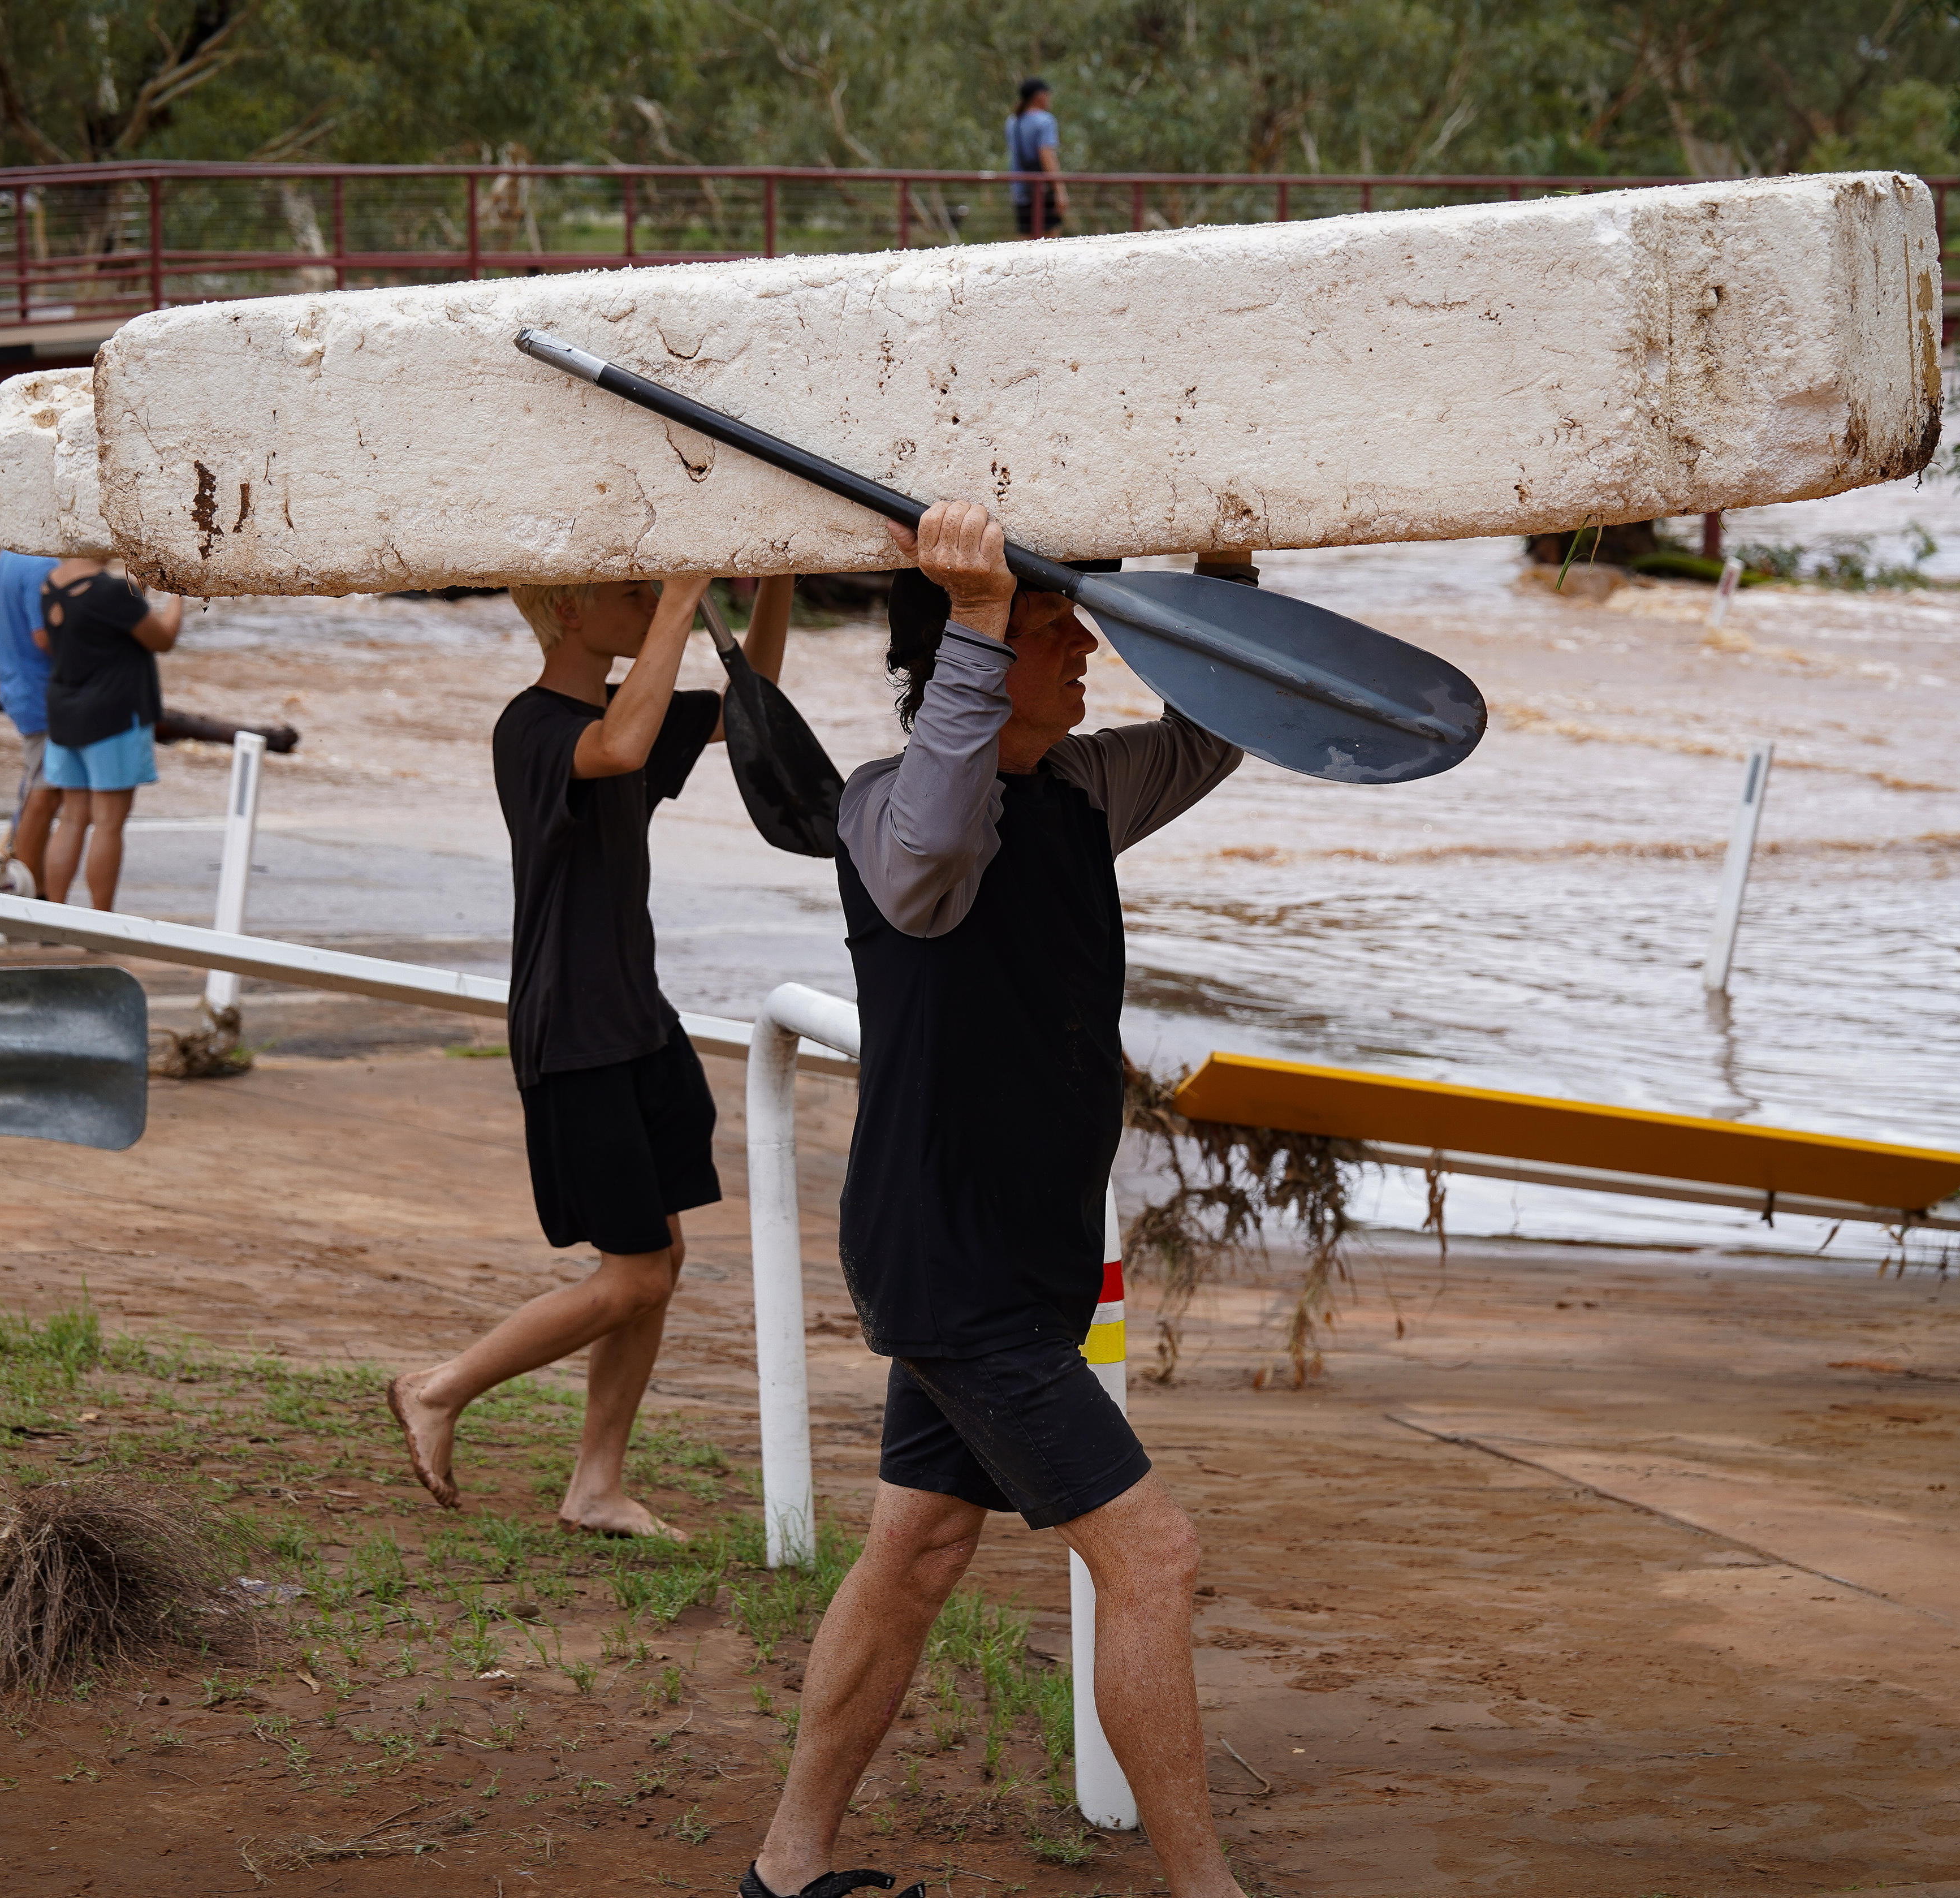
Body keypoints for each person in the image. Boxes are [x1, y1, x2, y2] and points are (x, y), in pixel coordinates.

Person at [744, 506, 1244, 1898]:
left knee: (914, 1548)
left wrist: (1229, 574)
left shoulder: (1085, 791)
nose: (1083, 643)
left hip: (1024, 1257)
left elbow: (1214, 733)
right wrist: (975, 615)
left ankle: (785, 1872)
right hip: (951, 1263)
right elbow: (929, 854)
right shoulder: (883, 810)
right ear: (965, 650)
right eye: (1051, 628)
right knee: (1151, 1556)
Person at [386, 575, 793, 1539]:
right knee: (636, 1276)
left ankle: (596, 1486)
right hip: (574, 1032)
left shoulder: (631, 713)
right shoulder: (530, 729)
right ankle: (439, 1390)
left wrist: (774, 579)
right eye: (630, 591)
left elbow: (751, 709)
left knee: (663, 1257)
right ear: (568, 612)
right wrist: (681, 597)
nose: (652, 602)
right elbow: (612, 749)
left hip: (641, 1020)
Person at [36, 557, 182, 911]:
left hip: (66, 711)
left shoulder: (52, 583)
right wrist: (180, 593)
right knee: (108, 824)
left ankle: (53, 916)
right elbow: (162, 639)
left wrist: (139, 586)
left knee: (72, 819)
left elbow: (108, 622)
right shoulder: (111, 592)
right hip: (113, 715)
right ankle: (101, 923)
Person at [0, 548, 62, 890]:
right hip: (42, 692)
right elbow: (46, 636)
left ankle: (31, 889)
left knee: (39, 787)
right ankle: (29, 898)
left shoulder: (12, 552)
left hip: (21, 685)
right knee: (45, 793)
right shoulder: (44, 564)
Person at [1008, 76, 1068, 238]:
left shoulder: (1013, 122)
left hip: (1021, 190)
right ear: (1039, 96)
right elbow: (1047, 156)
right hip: (1043, 191)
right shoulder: (1045, 121)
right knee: (1050, 244)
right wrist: (1060, 191)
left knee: (1027, 243)